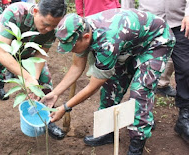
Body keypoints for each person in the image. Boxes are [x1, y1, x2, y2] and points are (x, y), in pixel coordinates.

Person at [42, 9, 175, 155]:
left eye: (73, 47)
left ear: (86, 37)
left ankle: (137, 145)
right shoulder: (79, 29)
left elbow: (93, 86)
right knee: (111, 86)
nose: (71, 51)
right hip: (128, 44)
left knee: (140, 93)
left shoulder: (107, 42)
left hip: (155, 42)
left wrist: (65, 107)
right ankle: (108, 133)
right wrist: (55, 94)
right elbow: (76, 67)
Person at [0, 0, 67, 150]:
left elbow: (41, 53)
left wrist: (33, 80)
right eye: (45, 24)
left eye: (53, 27)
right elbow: (0, 53)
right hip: (0, 45)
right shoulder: (15, 12)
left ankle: (47, 120)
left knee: (45, 80)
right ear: (36, 11)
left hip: (28, 49)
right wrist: (27, 78)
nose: (48, 29)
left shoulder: (52, 26)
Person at [121, 0, 189, 143]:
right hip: (149, 28)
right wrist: (128, 26)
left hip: (180, 25)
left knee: (185, 69)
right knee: (144, 71)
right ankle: (144, 113)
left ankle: (185, 115)